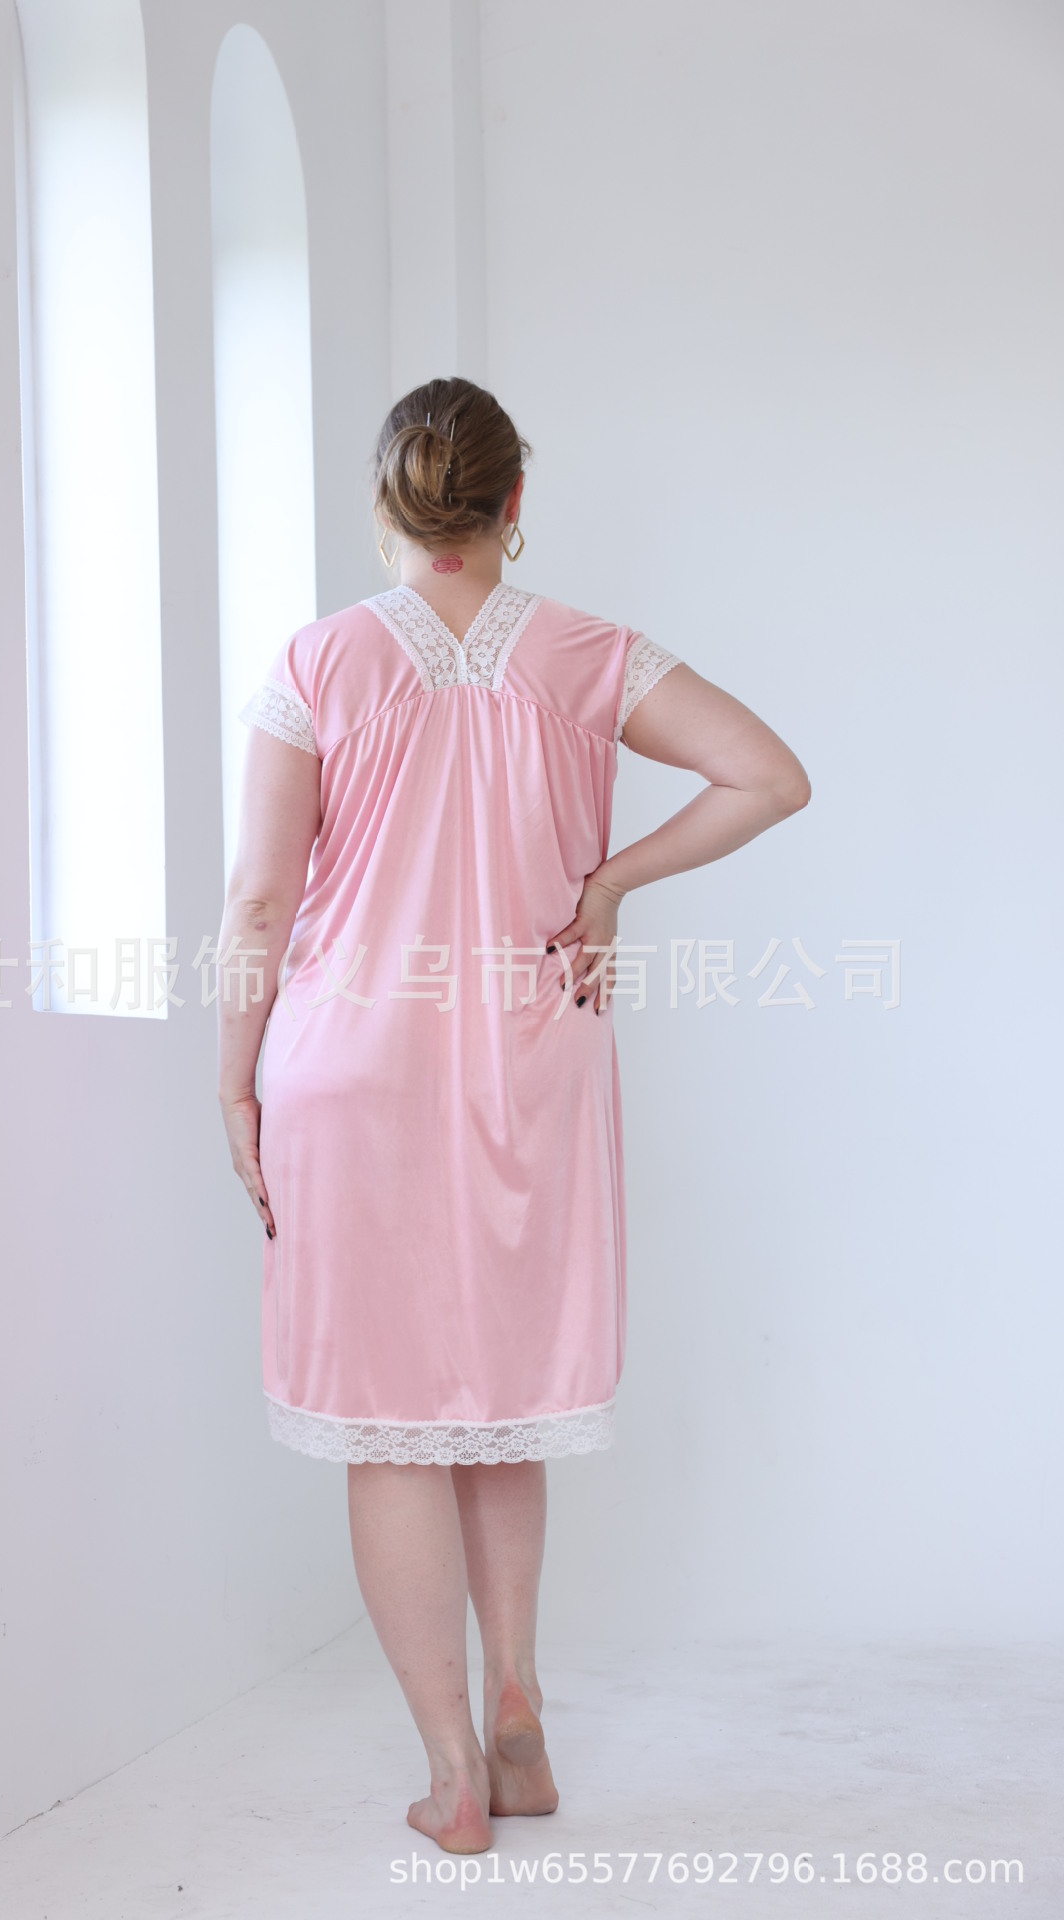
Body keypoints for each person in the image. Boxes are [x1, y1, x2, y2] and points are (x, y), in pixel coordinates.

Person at [215, 376, 810, 1855]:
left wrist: (233, 1074)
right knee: (497, 1407)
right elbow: (769, 776)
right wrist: (607, 884)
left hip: (347, 1072)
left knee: (392, 1427)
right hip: (531, 1069)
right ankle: (521, 1715)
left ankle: (451, 1774)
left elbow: (260, 902)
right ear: (514, 502)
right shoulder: (588, 655)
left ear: (386, 501)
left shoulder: (319, 662)